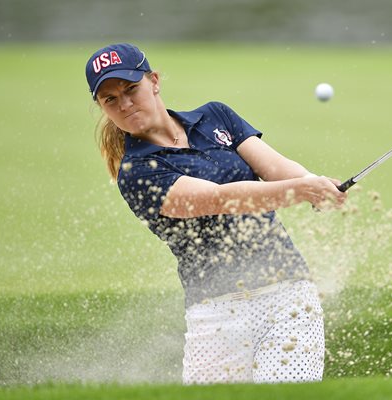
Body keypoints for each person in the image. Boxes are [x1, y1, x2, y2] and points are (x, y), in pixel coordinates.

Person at [85, 43, 347, 384]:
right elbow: (219, 199)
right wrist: (299, 191)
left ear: (154, 81)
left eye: (131, 89)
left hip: (290, 299)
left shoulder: (214, 117)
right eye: (111, 99)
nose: (126, 104)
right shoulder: (137, 172)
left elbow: (275, 167)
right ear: (102, 107)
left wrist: (313, 183)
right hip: (215, 313)